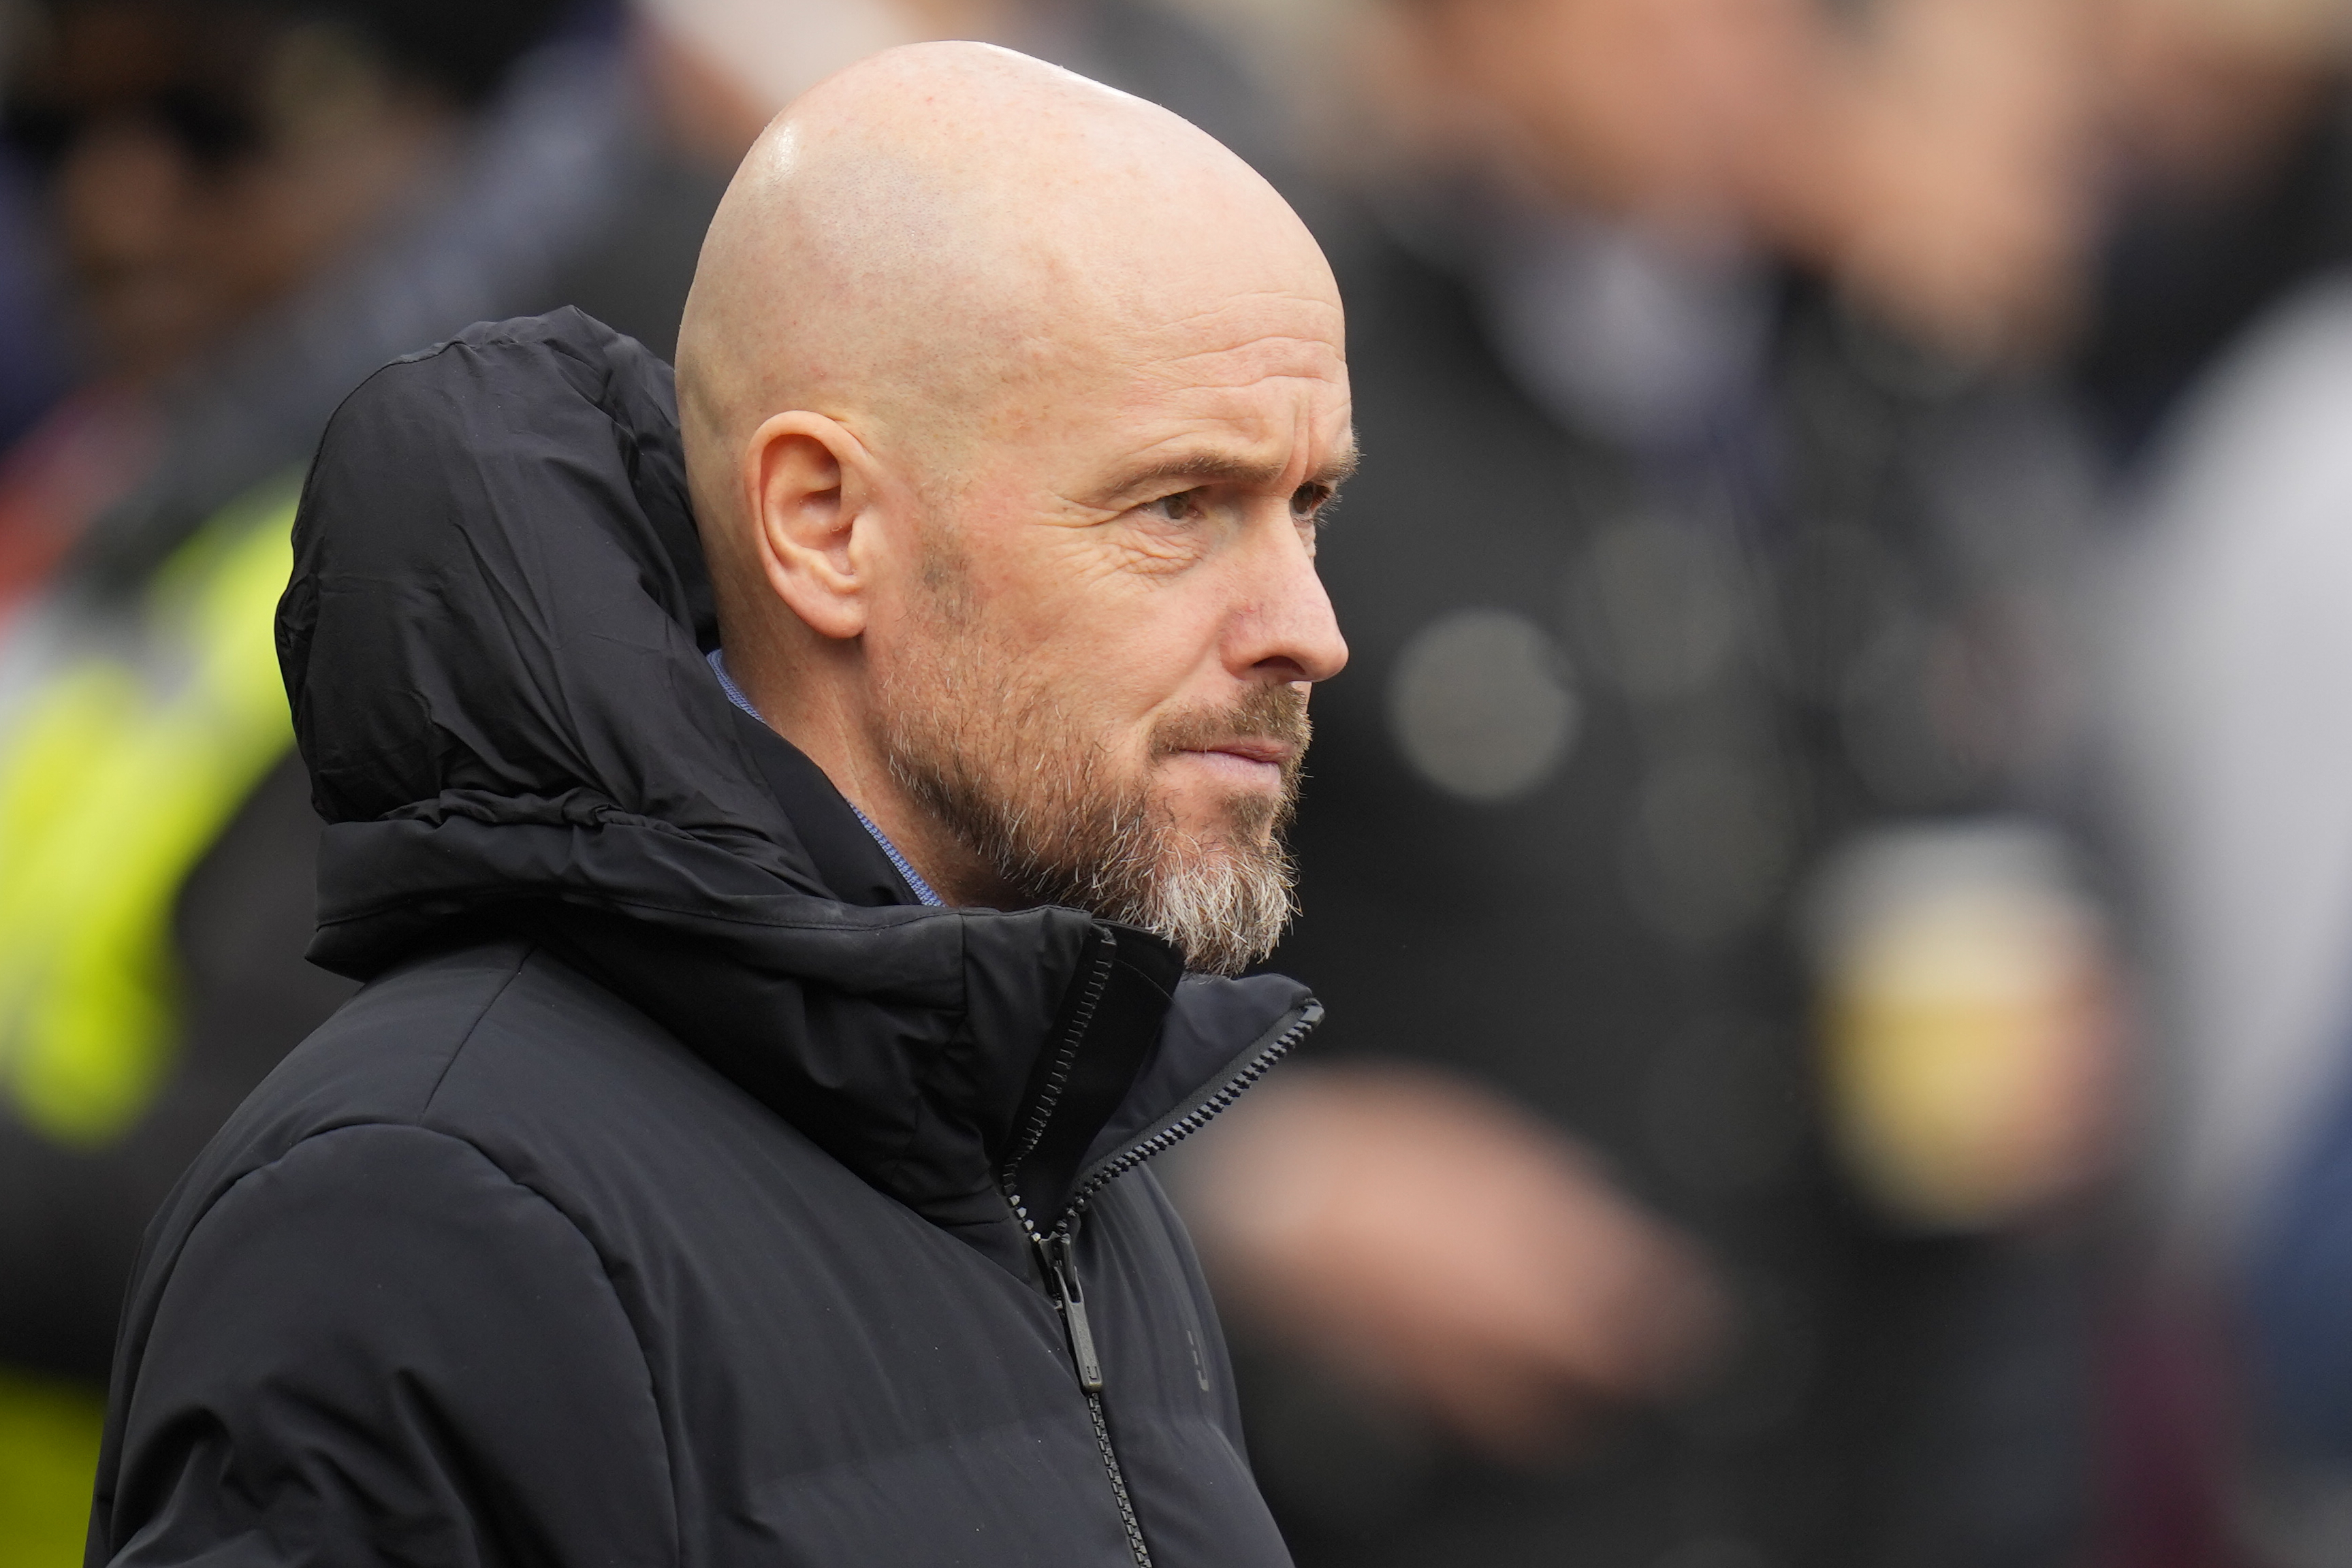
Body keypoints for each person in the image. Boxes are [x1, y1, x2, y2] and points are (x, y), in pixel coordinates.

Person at [89, 41, 1350, 1566]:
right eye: (1177, 505)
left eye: (1305, 507)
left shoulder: (1055, 1128)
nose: (1307, 625)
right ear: (821, 524)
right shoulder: (421, 1207)